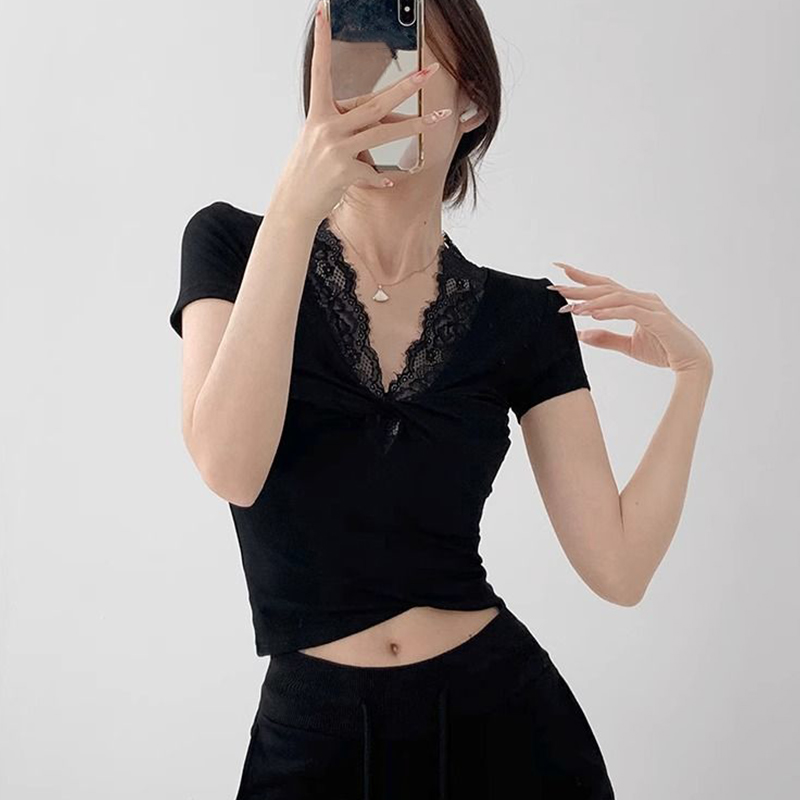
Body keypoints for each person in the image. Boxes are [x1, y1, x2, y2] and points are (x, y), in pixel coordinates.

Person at [168, 2, 713, 798]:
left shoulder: (524, 317)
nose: (381, 88)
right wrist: (294, 207)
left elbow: (619, 568)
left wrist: (693, 379)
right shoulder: (230, 245)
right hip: (314, 739)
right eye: (356, 62)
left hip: (505, 729)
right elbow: (230, 467)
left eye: (411, 58)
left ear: (473, 103)